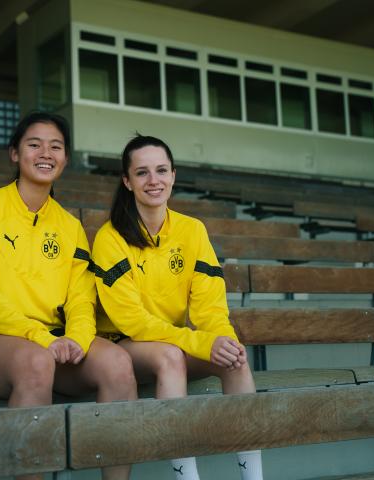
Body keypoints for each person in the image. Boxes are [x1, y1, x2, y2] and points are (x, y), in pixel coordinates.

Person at [0, 112, 137, 480]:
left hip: (53, 339)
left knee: (118, 363)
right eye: (34, 144)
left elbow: (81, 298)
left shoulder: (70, 226)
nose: (45, 153)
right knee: (36, 362)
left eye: (56, 146)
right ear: (14, 153)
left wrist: (78, 339)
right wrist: (40, 338)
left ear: (66, 158)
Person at [91, 134, 263, 480]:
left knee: (236, 358)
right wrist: (198, 341)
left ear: (173, 175)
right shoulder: (110, 237)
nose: (153, 180)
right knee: (170, 357)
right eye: (142, 172)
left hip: (171, 339)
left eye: (161, 170)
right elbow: (131, 321)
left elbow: (210, 306)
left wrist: (222, 339)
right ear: (127, 181)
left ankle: (253, 477)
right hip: (123, 344)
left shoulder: (192, 230)